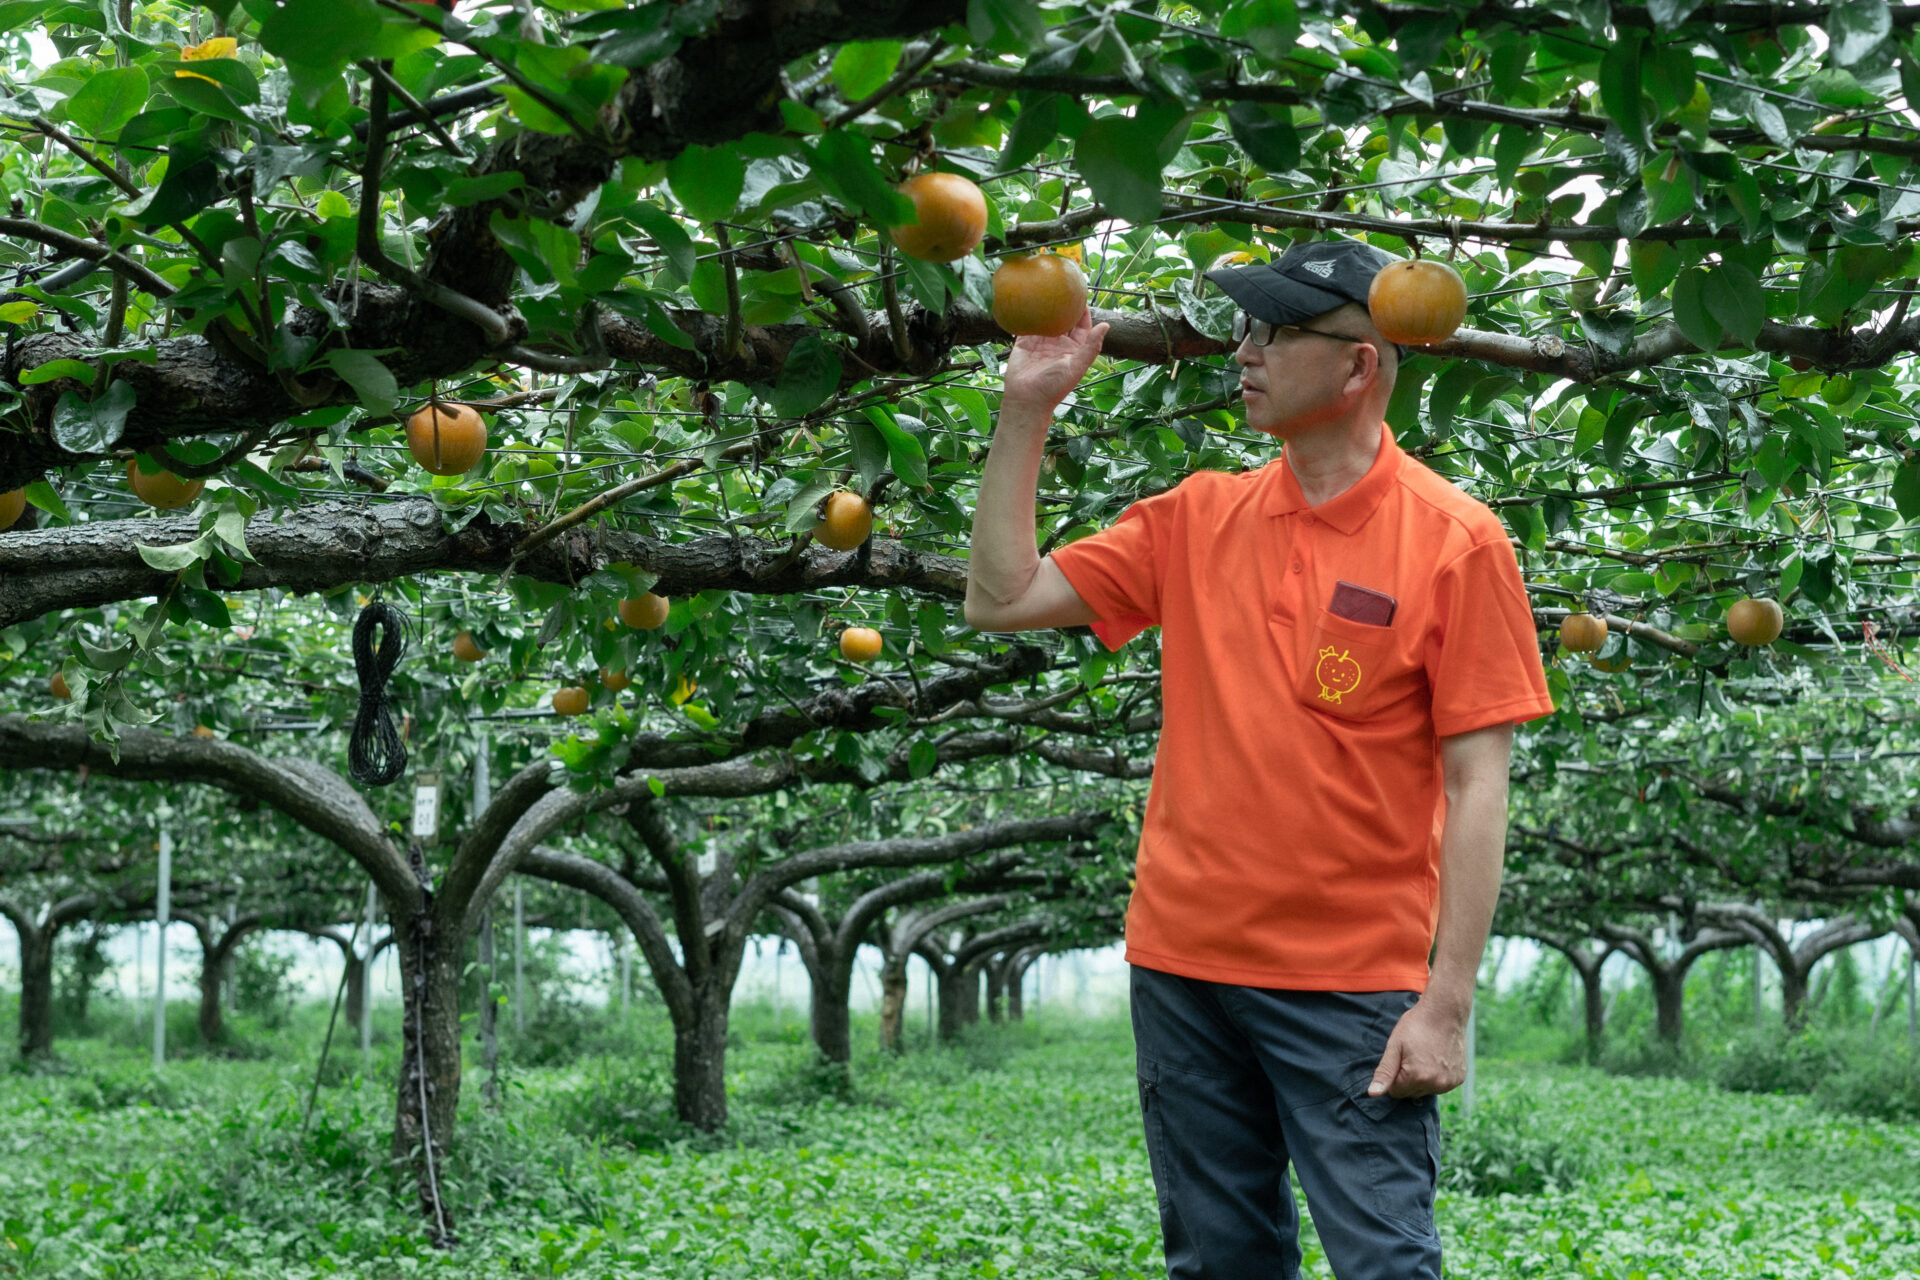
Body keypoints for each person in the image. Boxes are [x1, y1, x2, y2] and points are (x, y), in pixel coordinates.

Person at [964, 239, 1554, 1279]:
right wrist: (1028, 410)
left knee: (1386, 1260)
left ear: (1359, 365)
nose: (1244, 350)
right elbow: (1001, 598)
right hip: (1183, 968)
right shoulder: (1196, 516)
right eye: (1243, 327)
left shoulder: (1457, 542)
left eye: (1274, 331)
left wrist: (1446, 1000)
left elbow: (1477, 785)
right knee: (1221, 1260)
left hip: (1351, 982)